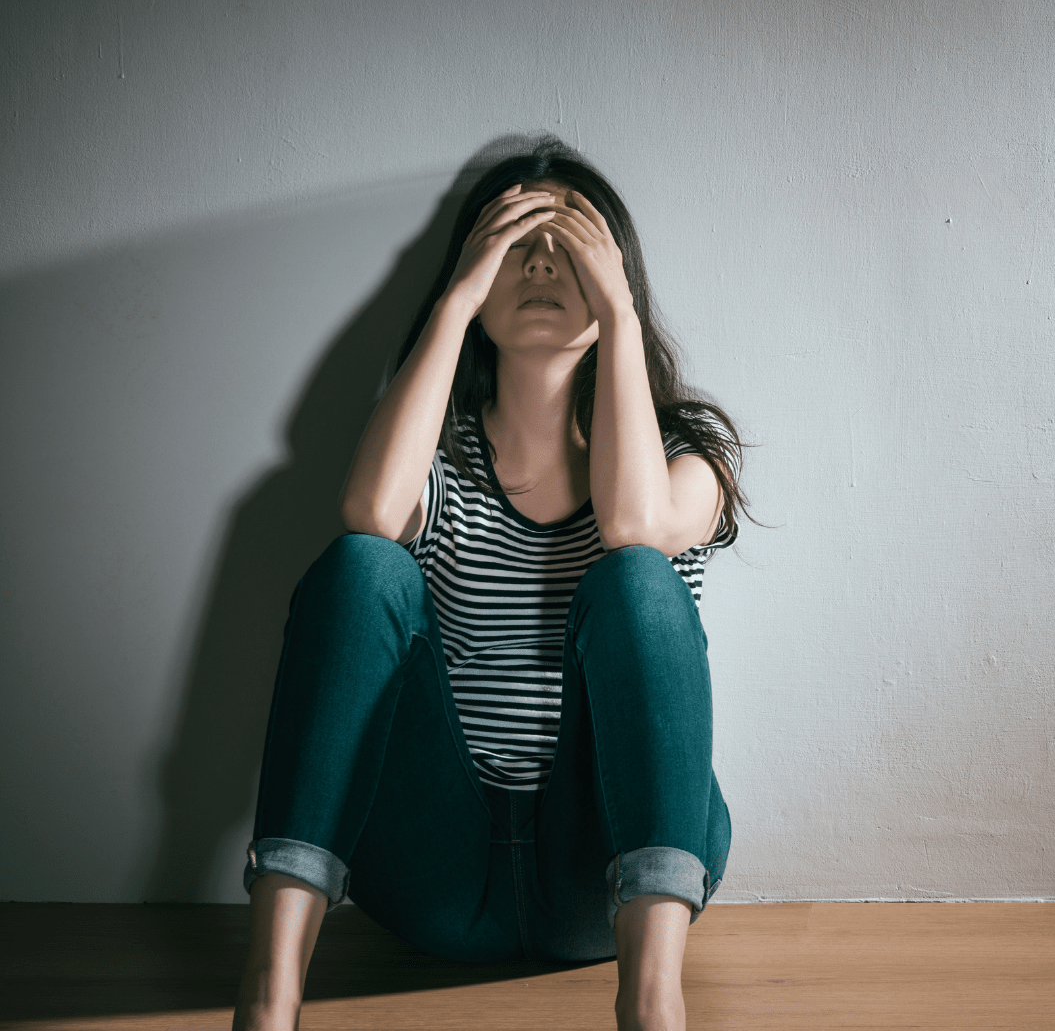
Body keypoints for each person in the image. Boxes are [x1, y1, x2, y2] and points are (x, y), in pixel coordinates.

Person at [231, 137, 750, 1031]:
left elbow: (632, 528)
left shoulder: (684, 467)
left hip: (605, 879)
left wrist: (621, 315)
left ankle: (654, 1002)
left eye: (570, 243)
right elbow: (369, 509)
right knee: (362, 563)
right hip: (441, 870)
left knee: (636, 576)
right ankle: (269, 999)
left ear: (614, 272)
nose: (543, 263)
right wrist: (455, 302)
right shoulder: (440, 464)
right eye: (515, 243)